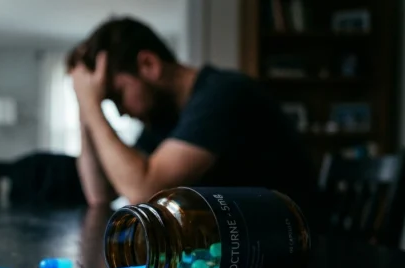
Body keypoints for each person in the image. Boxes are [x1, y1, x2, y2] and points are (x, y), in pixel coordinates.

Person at [67, 17, 319, 215]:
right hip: (240, 248)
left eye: (117, 95)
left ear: (148, 65)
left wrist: (91, 104)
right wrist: (84, 107)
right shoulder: (164, 118)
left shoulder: (223, 95)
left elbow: (144, 193)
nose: (121, 111)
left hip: (295, 251)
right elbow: (99, 195)